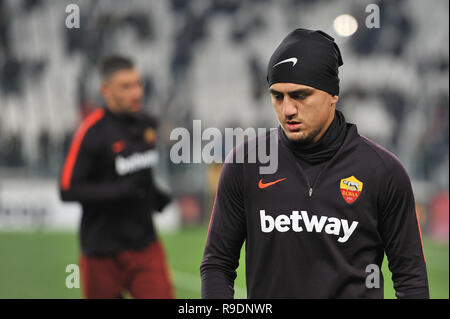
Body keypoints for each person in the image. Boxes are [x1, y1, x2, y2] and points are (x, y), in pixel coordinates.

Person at [200, 28, 429, 299]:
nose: (287, 110)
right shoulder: (245, 164)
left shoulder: (383, 171)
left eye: (300, 95)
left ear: (333, 94)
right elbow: (218, 265)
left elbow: (410, 278)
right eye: (277, 96)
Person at [60, 55, 174, 299]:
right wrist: (120, 191)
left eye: (138, 84)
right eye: (126, 86)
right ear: (106, 90)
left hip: (144, 246)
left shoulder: (148, 125)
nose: (136, 93)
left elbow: (139, 175)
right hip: (101, 252)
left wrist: (155, 196)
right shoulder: (91, 131)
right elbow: (68, 188)